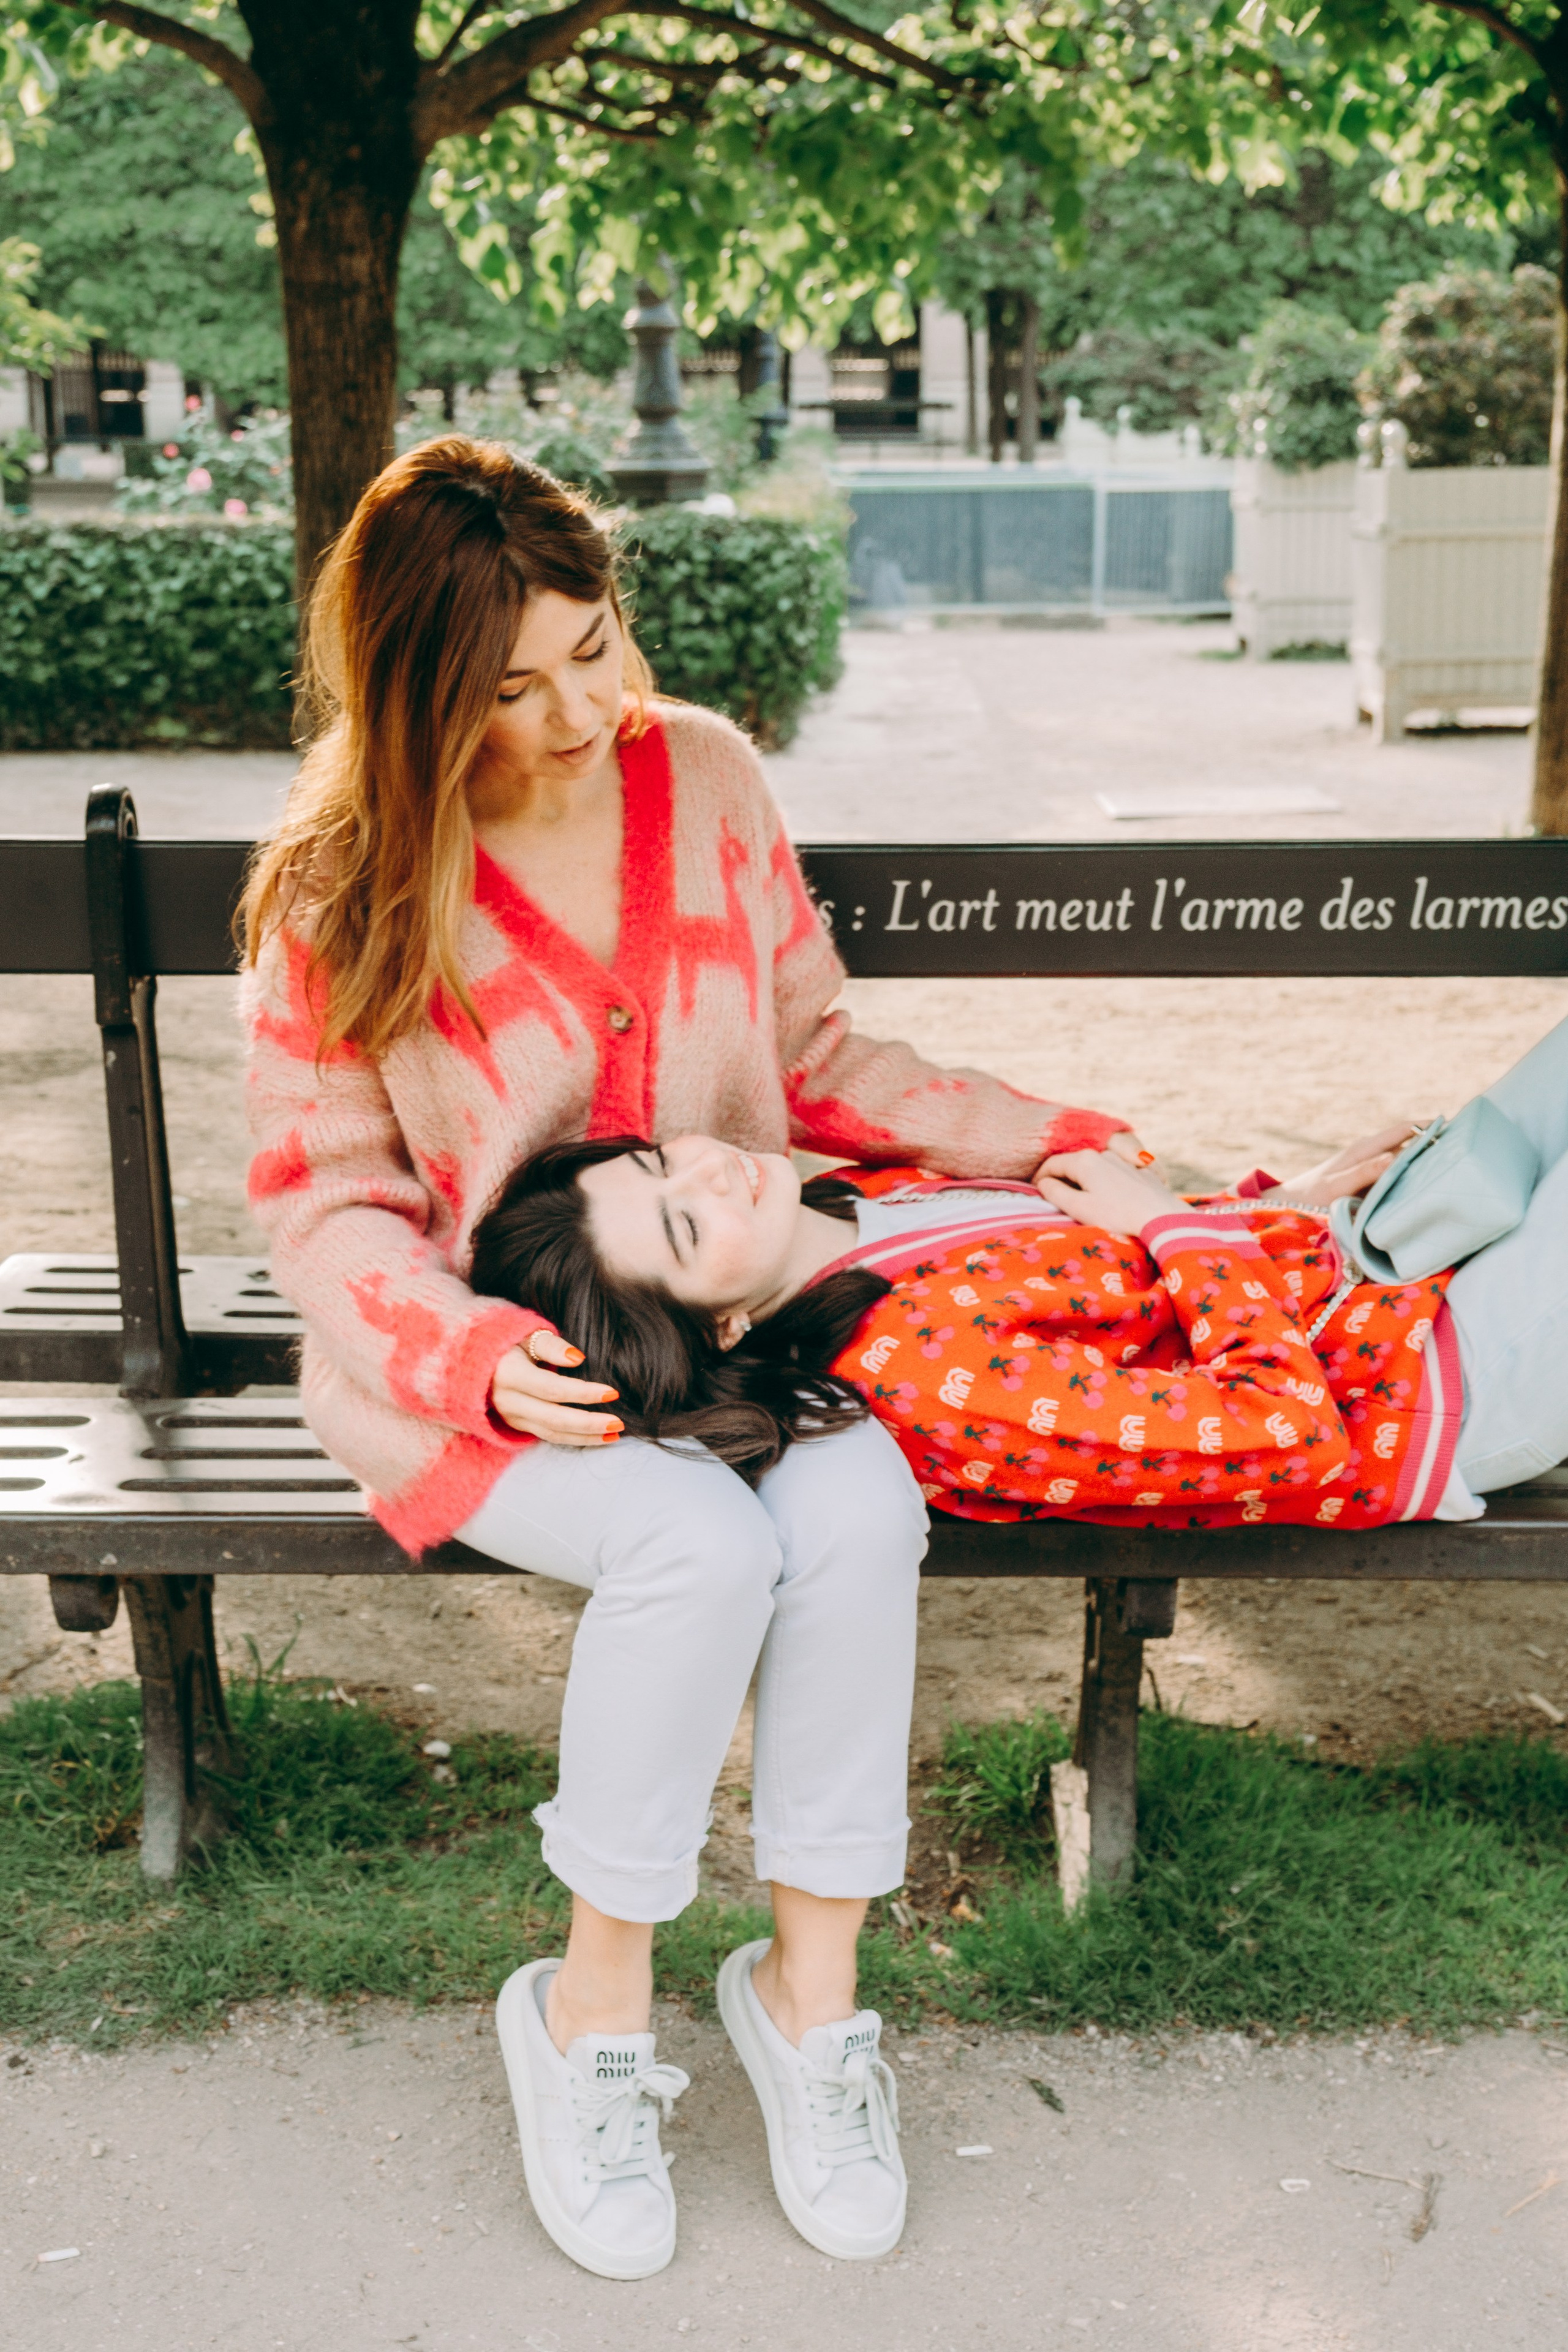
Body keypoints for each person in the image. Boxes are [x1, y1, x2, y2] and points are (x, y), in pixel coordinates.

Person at [239, 434, 1140, 2282]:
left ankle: (813, 2005)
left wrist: (1045, 1135)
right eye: (513, 688)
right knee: (697, 1545)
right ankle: (592, 2016)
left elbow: (815, 1060)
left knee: (858, 1512)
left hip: (730, 1343)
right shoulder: (341, 892)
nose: (581, 712)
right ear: (417, 691)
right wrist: (466, 1352)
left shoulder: (705, 775)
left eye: (593, 648)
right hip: (485, 1377)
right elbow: (324, 1208)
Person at [468, 1008, 1568, 1540]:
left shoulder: (864, 1199)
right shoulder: (925, 1380)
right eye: (683, 1227)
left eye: (660, 1161)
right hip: (1435, 1388)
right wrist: (1181, 1231)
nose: (708, 1173)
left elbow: (1130, 1277)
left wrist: (1284, 1200)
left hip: (1401, 1255)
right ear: (714, 1329)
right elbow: (1285, 1434)